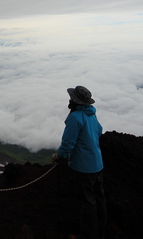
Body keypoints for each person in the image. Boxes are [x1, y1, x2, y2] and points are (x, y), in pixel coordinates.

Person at [52, 86, 107, 239]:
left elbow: (68, 143)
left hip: (83, 168)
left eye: (71, 98)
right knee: (99, 200)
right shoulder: (92, 114)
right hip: (98, 164)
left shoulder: (75, 117)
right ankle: (99, 232)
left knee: (87, 203)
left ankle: (88, 235)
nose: (69, 100)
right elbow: (99, 131)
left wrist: (60, 156)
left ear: (75, 101)